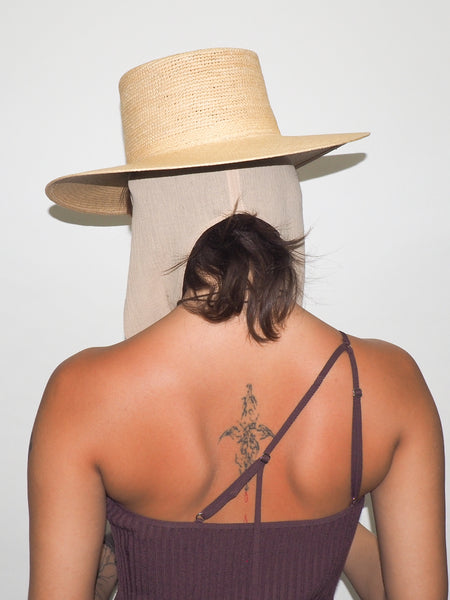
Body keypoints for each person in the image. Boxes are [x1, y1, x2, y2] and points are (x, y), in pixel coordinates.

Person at [29, 48, 446, 599]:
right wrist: (327, 521)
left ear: (152, 212)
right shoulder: (388, 381)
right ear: (283, 192)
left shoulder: (85, 392)